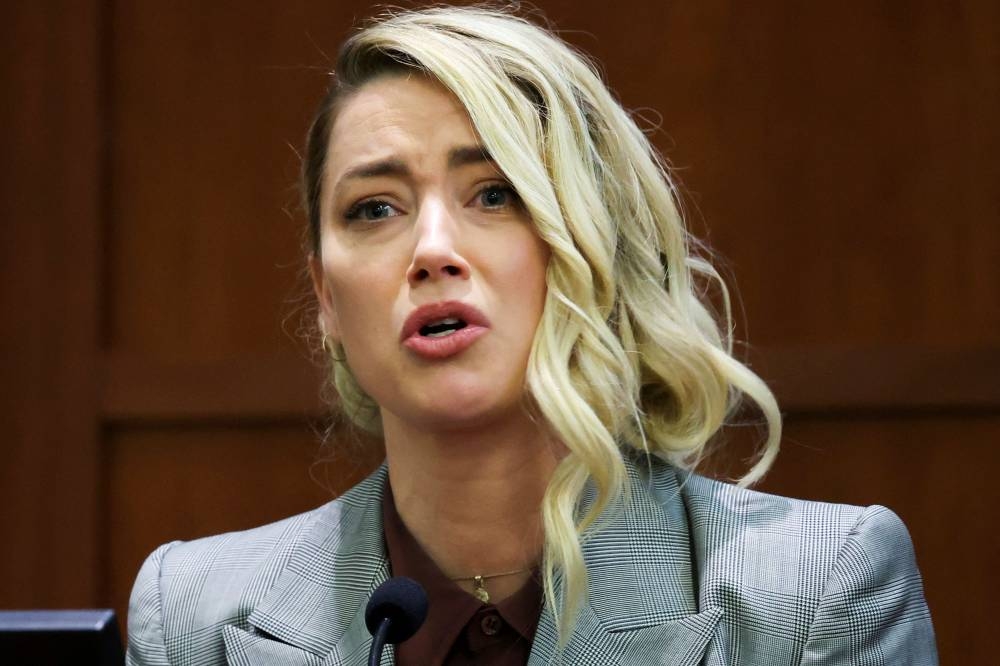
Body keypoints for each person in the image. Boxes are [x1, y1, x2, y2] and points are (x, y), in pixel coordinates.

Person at [126, 6, 937, 665]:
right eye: (375, 209)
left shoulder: (815, 592)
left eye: (495, 194)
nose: (432, 250)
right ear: (327, 299)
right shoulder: (195, 619)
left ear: (591, 243)